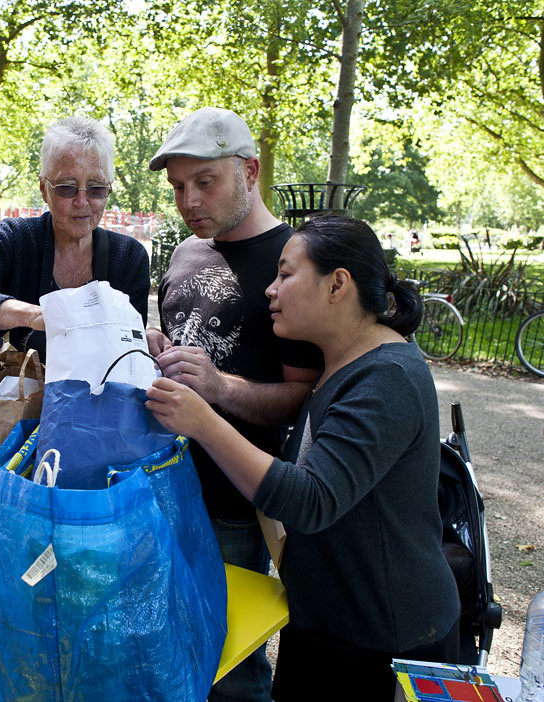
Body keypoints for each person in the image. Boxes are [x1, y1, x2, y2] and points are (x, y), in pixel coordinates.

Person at [146, 215, 460, 701]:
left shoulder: (387, 378)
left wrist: (203, 422)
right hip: (326, 624)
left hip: (379, 642)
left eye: (286, 275)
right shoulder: (344, 362)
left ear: (338, 284)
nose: (270, 290)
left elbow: (311, 499)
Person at [146, 106, 321, 702]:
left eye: (205, 181)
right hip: (159, 490)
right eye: (177, 187)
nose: (189, 200)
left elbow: (303, 398)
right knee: (165, 645)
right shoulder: (182, 255)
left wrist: (218, 389)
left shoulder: (296, 263)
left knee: (234, 668)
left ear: (250, 171)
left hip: (237, 509)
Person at [0, 116, 150, 361]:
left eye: (96, 188)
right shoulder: (14, 239)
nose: (82, 202)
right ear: (44, 189)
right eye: (67, 187)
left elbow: (131, 351)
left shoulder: (129, 258)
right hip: (19, 396)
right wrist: (34, 315)